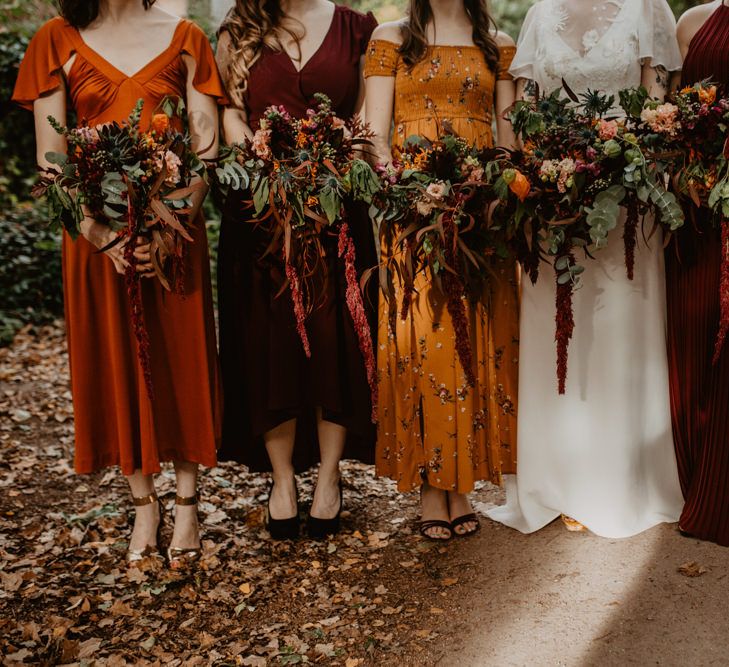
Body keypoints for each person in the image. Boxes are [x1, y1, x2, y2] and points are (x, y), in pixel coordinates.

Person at [12, 0, 225, 564]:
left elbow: (205, 148)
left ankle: (186, 503)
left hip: (175, 230)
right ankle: (143, 505)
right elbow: (51, 160)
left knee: (179, 359)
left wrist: (171, 227)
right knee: (117, 358)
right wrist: (102, 235)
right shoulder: (55, 39)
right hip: (95, 236)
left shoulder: (185, 37)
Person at [486, 0, 684, 538]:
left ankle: (618, 481)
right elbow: (523, 113)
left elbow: (657, 112)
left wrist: (622, 169)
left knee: (617, 326)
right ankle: (556, 479)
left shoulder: (649, 8)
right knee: (559, 331)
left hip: (624, 202)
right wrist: (538, 181)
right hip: (551, 200)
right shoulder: (537, 14)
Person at [215, 0, 378, 539]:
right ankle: (282, 481)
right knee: (271, 345)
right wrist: (268, 164)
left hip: (337, 209)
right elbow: (229, 114)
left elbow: (370, 120)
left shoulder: (360, 28)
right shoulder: (238, 27)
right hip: (261, 215)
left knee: (338, 343)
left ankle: (330, 477)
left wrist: (332, 165)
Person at [364, 0, 520, 540]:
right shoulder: (389, 38)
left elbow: (506, 138)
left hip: (478, 216)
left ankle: (463, 481)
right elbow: (374, 135)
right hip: (412, 216)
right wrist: (408, 198)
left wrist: (490, 199)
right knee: (425, 338)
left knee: (472, 342)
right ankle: (433, 484)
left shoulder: (496, 44)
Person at [665, 0, 729, 547]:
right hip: (700, 207)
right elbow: (674, 121)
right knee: (695, 331)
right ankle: (692, 480)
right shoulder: (694, 22)